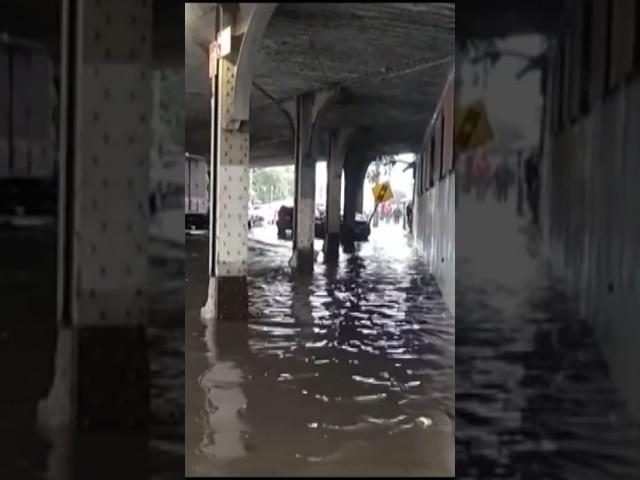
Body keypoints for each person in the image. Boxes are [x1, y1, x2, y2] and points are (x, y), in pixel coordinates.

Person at [525, 153, 540, 225]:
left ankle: (534, 218)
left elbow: (529, 175)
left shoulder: (530, 164)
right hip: (532, 185)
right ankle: (534, 218)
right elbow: (530, 175)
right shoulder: (531, 165)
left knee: (532, 201)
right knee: (532, 201)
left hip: (531, 185)